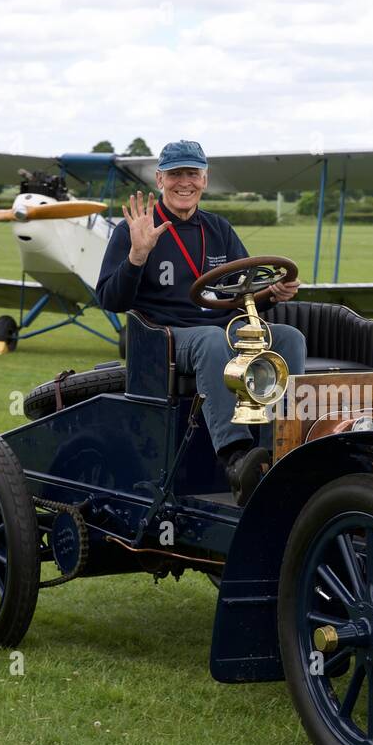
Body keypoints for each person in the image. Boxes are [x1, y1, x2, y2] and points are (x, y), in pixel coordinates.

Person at [97, 139, 306, 504]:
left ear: (204, 180)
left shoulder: (218, 228)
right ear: (160, 179)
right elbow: (110, 299)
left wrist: (274, 293)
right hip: (167, 335)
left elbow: (243, 291)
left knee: (289, 338)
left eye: (192, 173)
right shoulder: (138, 229)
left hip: (223, 326)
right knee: (211, 339)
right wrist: (136, 256)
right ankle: (236, 458)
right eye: (175, 173)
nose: (184, 182)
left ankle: (284, 447)